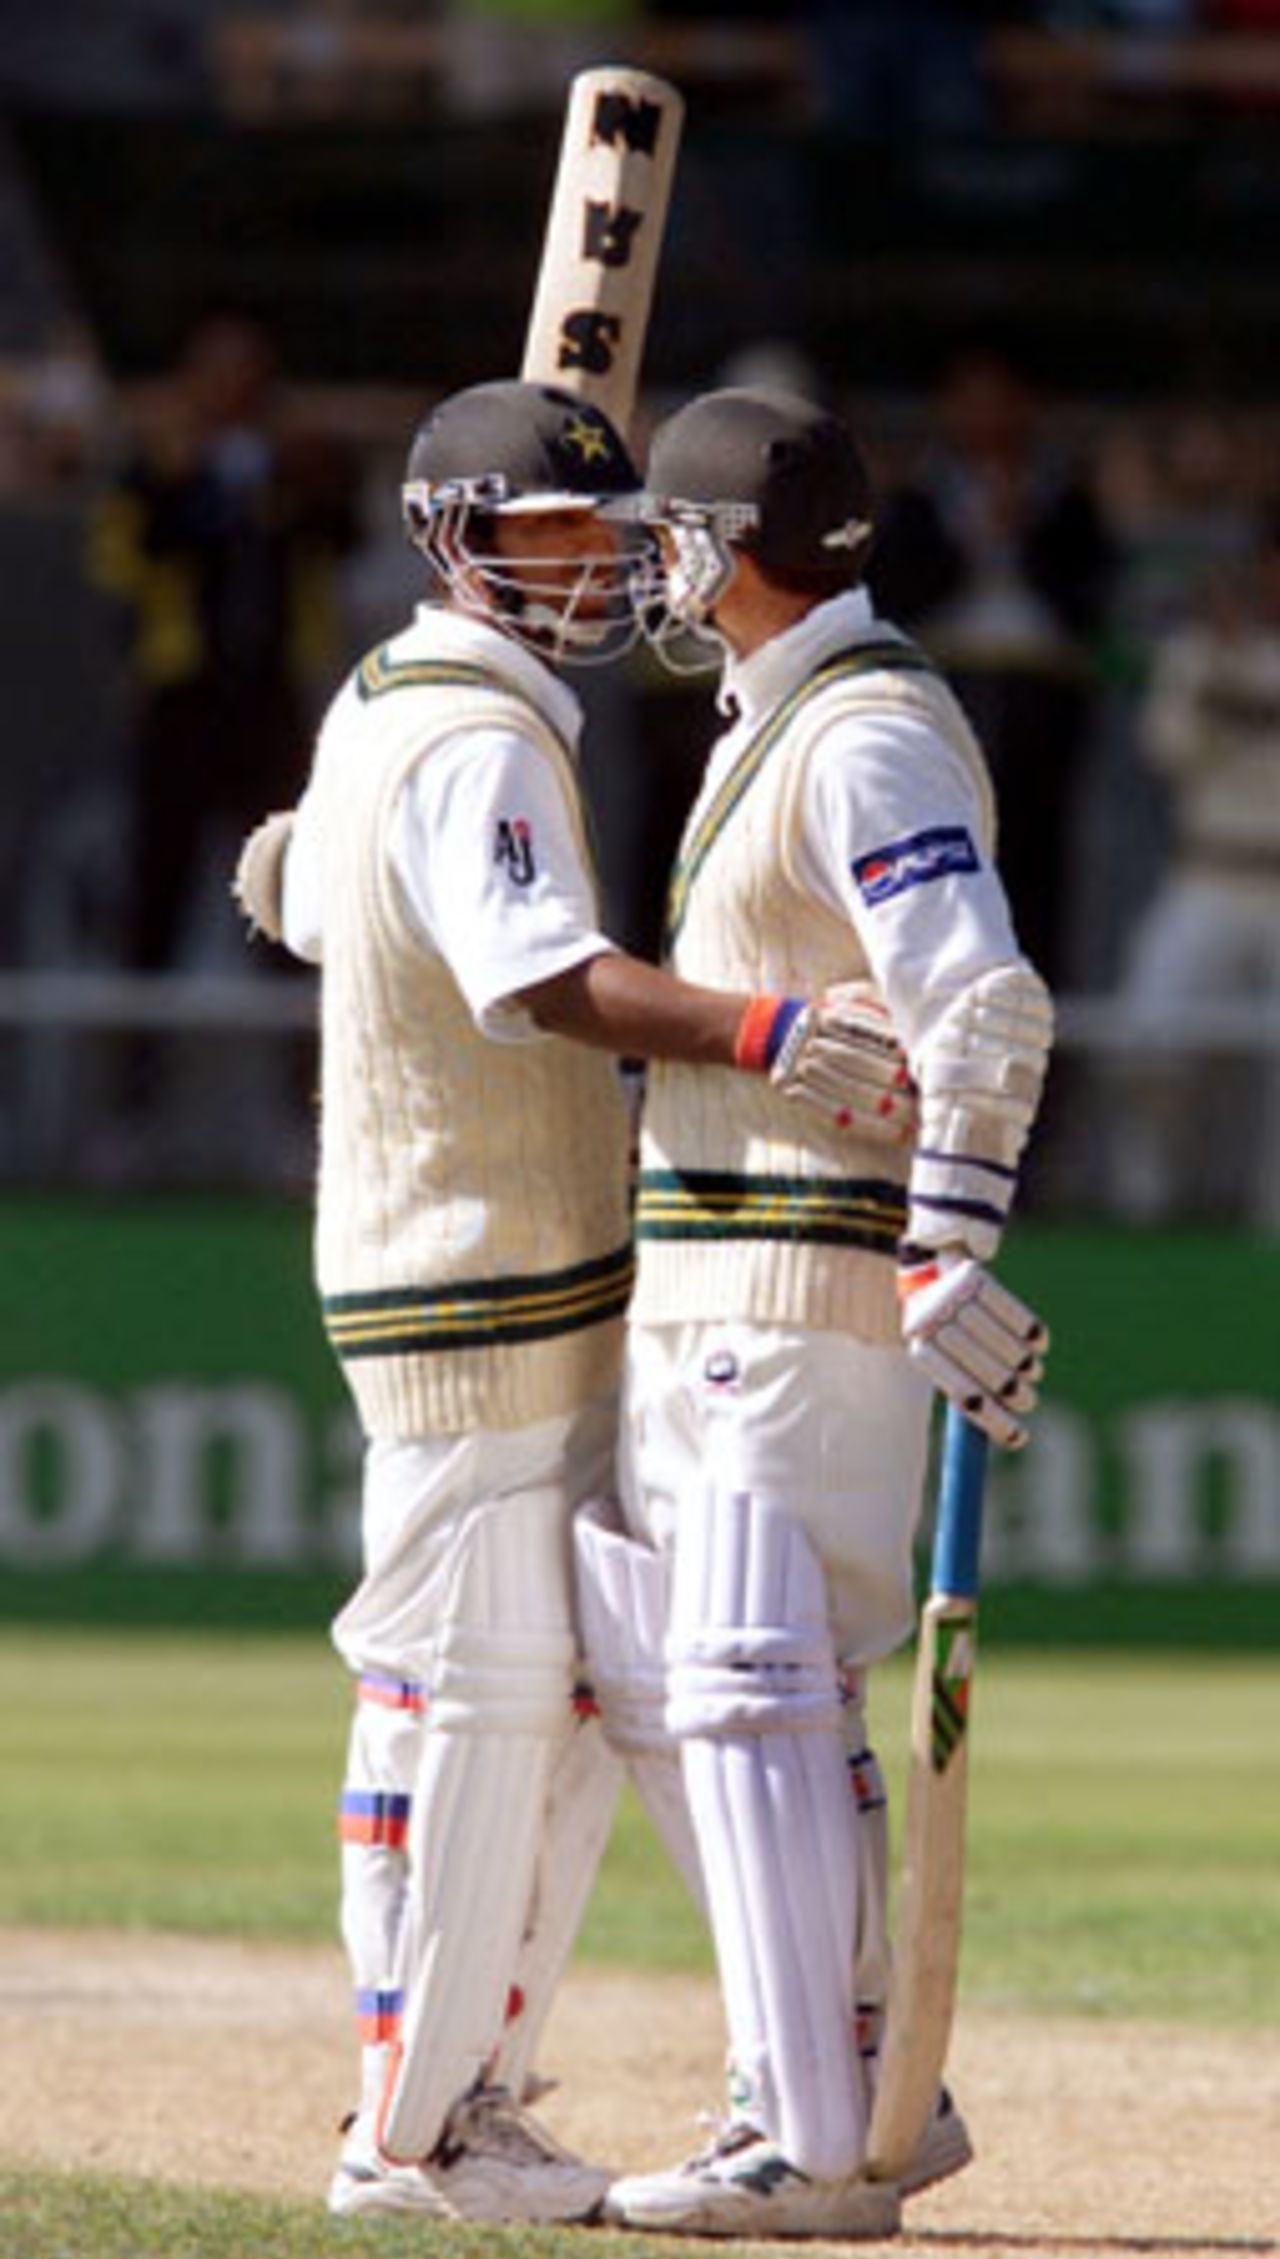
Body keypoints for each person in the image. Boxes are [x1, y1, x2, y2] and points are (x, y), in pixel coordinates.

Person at [233, 376, 923, 2223]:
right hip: (479, 1277)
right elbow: (540, 974)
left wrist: (311, 867)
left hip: (482, 1267)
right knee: (471, 1701)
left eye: (615, 537)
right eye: (554, 532)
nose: (599, 566)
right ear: (455, 532)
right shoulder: (472, 737)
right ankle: (419, 2130)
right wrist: (767, 1028)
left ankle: (526, 2091)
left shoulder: (399, 701)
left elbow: (340, 901)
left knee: (551, 1699)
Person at [561, 385, 1053, 2239]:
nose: (656, 576)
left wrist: (948, 1245)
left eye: (673, 540)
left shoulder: (865, 736)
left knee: (759, 1688)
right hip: (716, 1268)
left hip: (797, 1279)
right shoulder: (782, 722)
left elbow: (982, 1003)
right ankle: (850, 2082)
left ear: (725, 553)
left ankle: (808, 2130)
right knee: (686, 1669)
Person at [1107, 511, 1280, 1227]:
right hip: (1209, 871)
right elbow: (1168, 749)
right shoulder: (1198, 651)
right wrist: (1220, 662)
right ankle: (1142, 1205)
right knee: (1150, 1040)